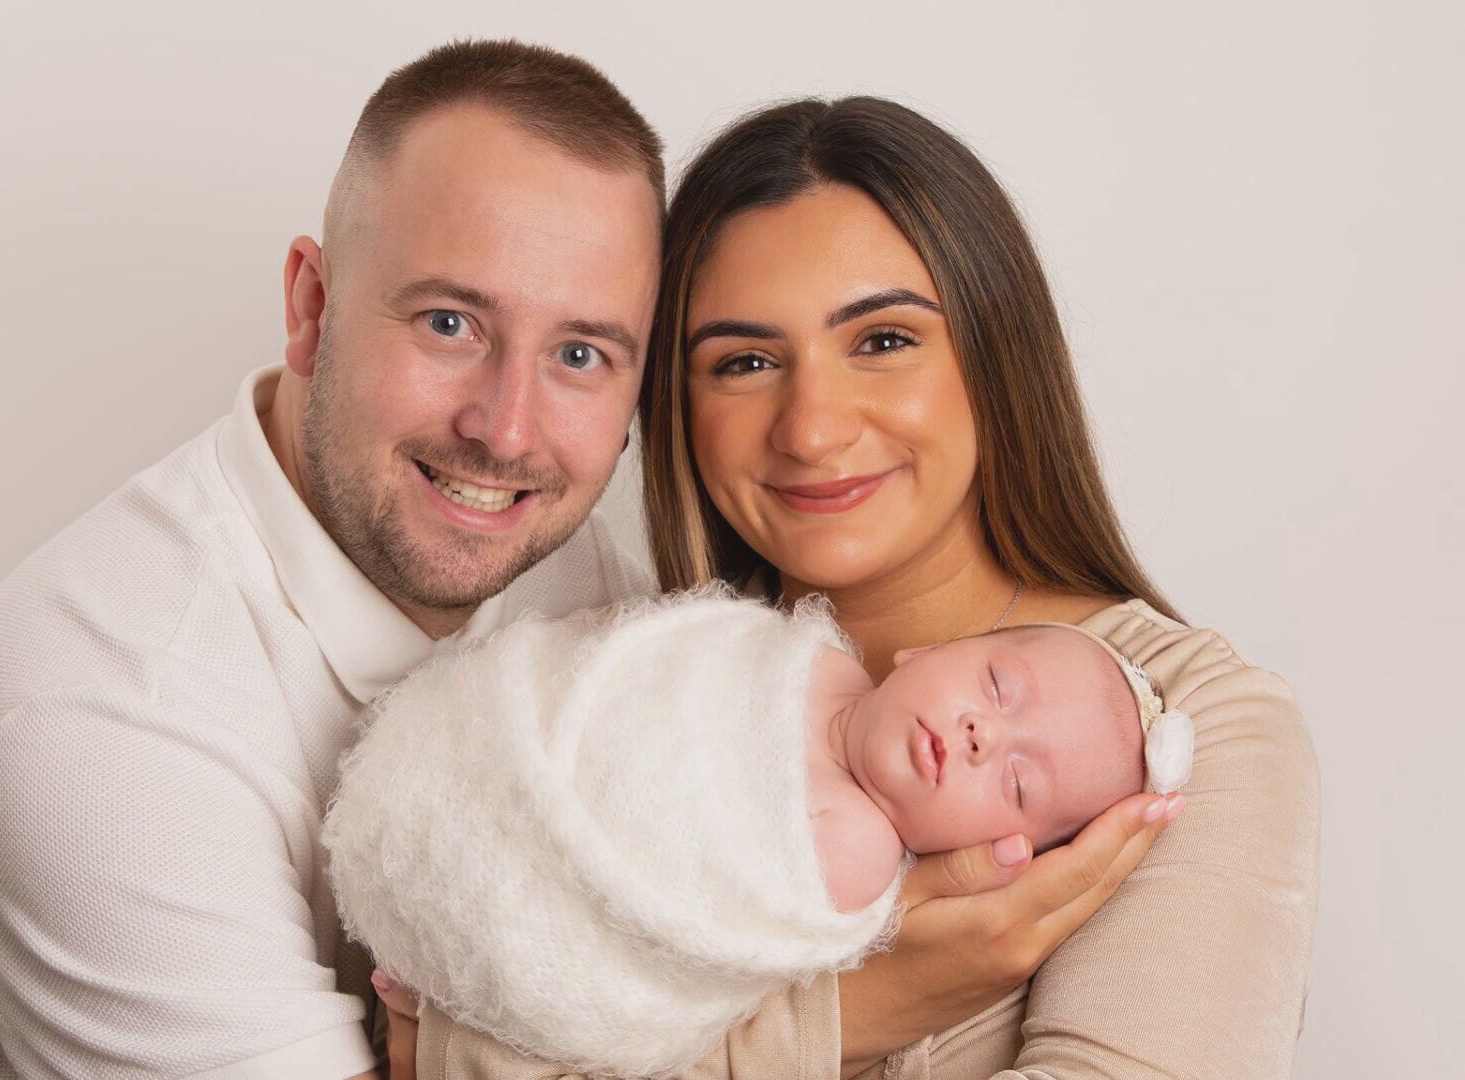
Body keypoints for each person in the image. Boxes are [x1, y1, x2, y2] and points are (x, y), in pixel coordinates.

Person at [403, 97, 1319, 1080]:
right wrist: (868, 1007)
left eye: (882, 341)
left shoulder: (1187, 730)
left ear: (997, 353)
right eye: (745, 362)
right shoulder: (627, 691)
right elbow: (436, 1000)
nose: (812, 428)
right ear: (677, 407)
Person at [0, 40, 668, 1080]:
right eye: (450, 323)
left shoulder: (567, 578)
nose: (504, 433)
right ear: (311, 307)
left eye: (580, 355)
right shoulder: (100, 719)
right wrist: (881, 1001)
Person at [325, 587, 1195, 1079]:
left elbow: (688, 958)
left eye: (1014, 781)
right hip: (489, 772)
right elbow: (627, 670)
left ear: (994, 854)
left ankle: (453, 1007)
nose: (980, 735)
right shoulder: (804, 650)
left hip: (551, 905)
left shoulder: (854, 854)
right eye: (998, 688)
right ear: (923, 654)